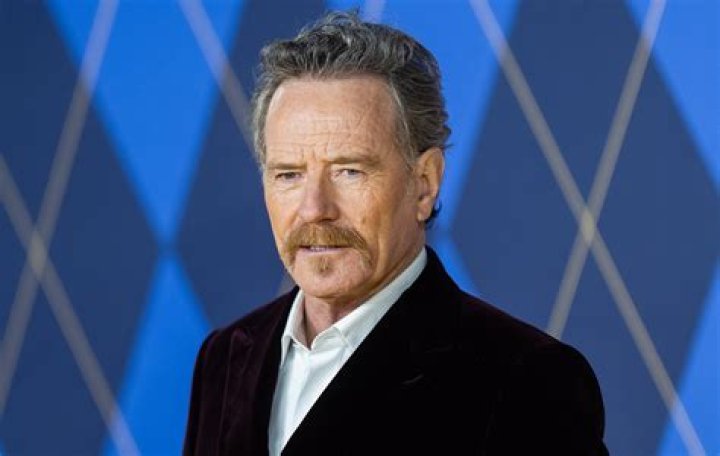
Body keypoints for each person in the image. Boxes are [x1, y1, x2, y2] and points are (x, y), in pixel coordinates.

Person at [183, 11, 608, 456]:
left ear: (424, 183)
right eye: (289, 175)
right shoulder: (225, 357)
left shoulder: (526, 380)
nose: (314, 209)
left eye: (349, 171)